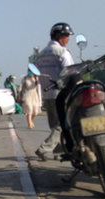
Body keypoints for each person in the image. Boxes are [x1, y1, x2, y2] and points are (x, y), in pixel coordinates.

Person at [34, 23, 75, 161]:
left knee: (54, 125)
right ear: (58, 36)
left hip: (47, 94)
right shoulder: (62, 52)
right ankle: (44, 148)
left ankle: (58, 152)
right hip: (61, 93)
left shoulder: (40, 55)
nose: (68, 39)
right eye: (66, 36)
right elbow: (71, 73)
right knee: (62, 124)